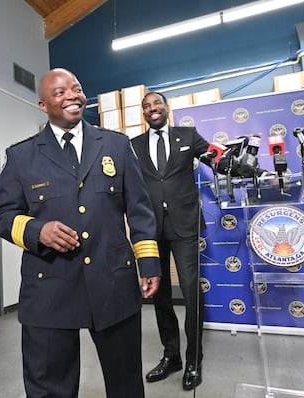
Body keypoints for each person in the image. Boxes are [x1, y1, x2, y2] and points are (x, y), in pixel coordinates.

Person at [0, 68, 161, 398]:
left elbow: (140, 210)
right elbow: (1, 216)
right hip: (49, 288)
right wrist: (37, 231)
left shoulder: (117, 145)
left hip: (112, 282)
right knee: (49, 388)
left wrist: (150, 264)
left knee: (126, 383)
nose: (72, 95)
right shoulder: (21, 156)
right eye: (60, 92)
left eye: (77, 88)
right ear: (43, 105)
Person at [130, 91, 206, 390]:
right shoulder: (133, 145)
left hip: (185, 226)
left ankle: (193, 360)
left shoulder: (187, 135)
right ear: (144, 113)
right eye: (146, 106)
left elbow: (215, 158)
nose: (152, 109)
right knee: (159, 296)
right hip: (151, 229)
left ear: (167, 108)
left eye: (156, 104)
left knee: (190, 292)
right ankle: (171, 356)